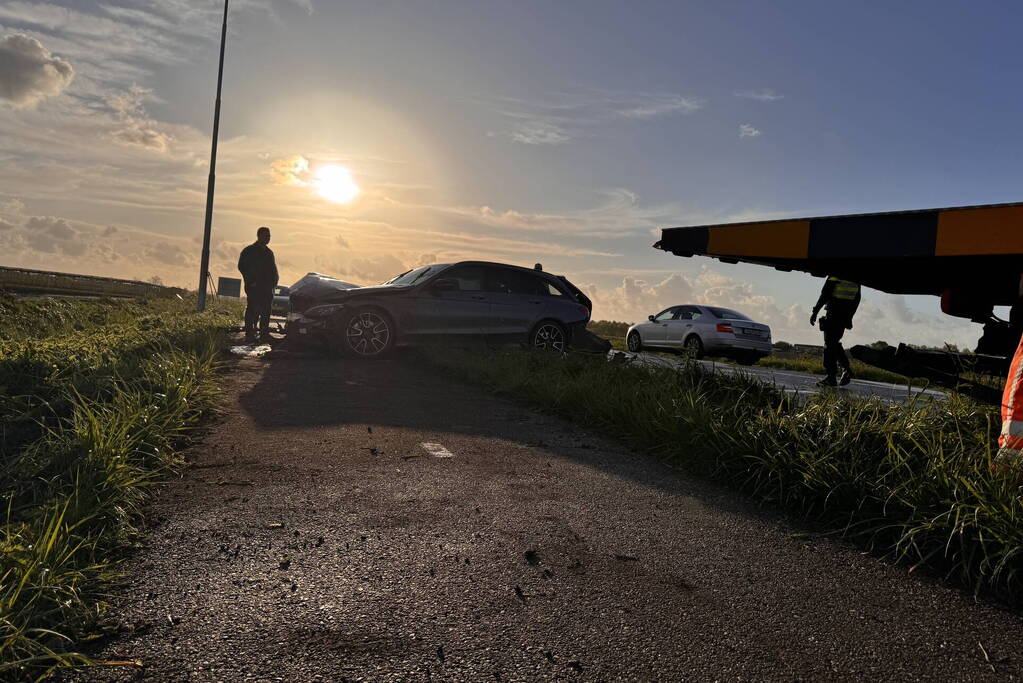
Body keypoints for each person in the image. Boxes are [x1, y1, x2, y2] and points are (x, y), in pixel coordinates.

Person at [810, 276, 861, 387]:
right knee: (834, 343)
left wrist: (815, 312)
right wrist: (850, 317)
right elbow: (857, 299)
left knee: (829, 345)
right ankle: (845, 370)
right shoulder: (857, 277)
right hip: (844, 316)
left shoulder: (836, 274)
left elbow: (825, 294)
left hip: (834, 313)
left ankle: (831, 377)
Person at [237, 226, 279, 343]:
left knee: (266, 310)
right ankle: (249, 333)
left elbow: (273, 269)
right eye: (266, 236)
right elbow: (241, 266)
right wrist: (251, 281)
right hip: (254, 287)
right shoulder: (249, 251)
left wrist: (274, 282)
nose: (268, 238)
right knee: (252, 309)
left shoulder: (269, 253)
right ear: (259, 236)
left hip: (267, 287)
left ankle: (264, 334)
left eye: (269, 236)